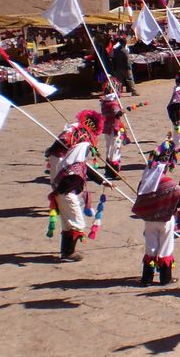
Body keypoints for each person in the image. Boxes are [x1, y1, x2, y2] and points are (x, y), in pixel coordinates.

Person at [46, 110, 104, 262]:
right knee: (77, 222)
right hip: (65, 188)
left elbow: (85, 167)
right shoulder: (69, 163)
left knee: (68, 221)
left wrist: (103, 181)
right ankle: (68, 253)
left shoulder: (73, 161)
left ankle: (66, 252)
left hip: (62, 185)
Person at [132, 140, 180, 286]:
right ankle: (165, 278)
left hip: (149, 220)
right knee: (165, 247)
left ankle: (147, 278)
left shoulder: (145, 181)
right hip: (165, 220)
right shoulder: (170, 183)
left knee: (151, 246)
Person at [99, 78, 125, 177]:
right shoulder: (112, 102)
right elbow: (117, 113)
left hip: (107, 128)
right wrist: (123, 111)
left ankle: (109, 170)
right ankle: (114, 172)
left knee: (109, 148)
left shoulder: (104, 102)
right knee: (115, 148)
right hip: (114, 128)